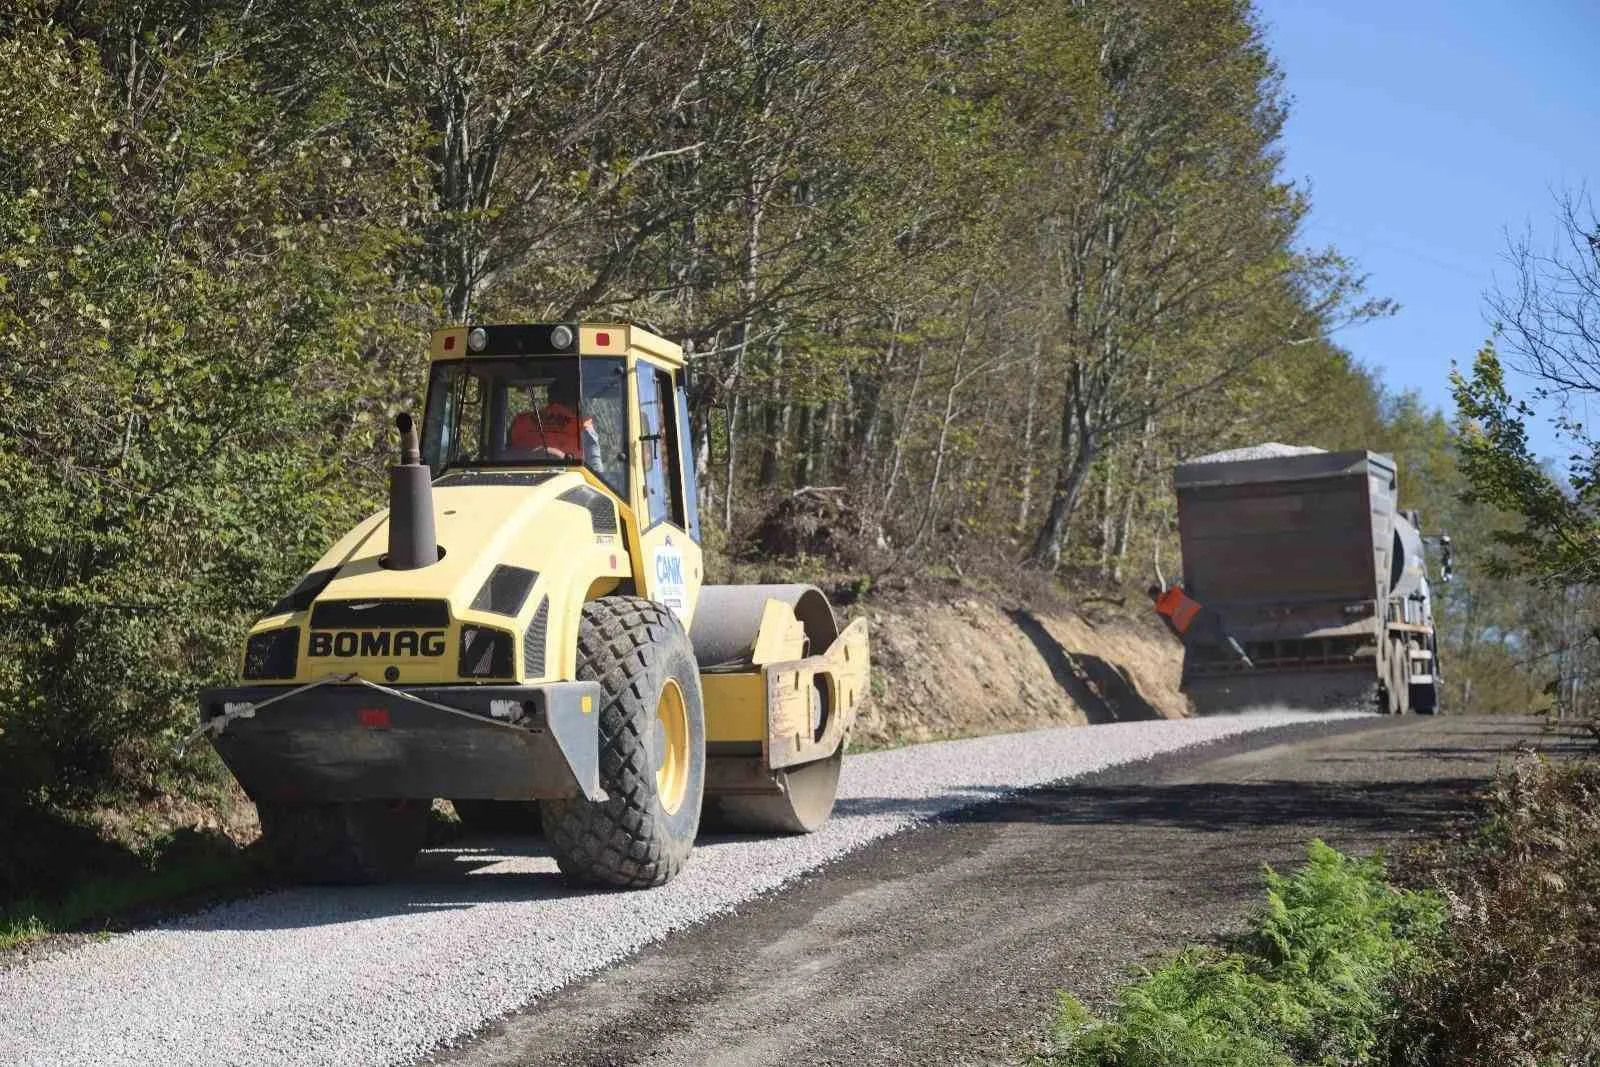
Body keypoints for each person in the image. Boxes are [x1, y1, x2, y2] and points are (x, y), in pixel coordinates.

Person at [1148, 582, 1254, 668]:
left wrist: (1182, 639)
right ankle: (1240, 656)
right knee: (1220, 634)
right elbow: (1193, 596)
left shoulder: (1160, 608)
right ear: (1161, 590)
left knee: (1193, 648)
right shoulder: (1176, 590)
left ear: (1153, 597)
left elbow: (1171, 626)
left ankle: (1203, 667)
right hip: (1199, 614)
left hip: (1187, 626)